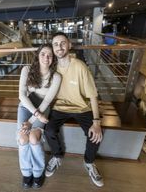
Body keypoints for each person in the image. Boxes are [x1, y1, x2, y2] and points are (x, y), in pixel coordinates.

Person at [44, 33, 104, 188]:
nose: (59, 47)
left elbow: (92, 96)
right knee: (49, 130)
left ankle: (89, 162)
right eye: (56, 44)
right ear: (53, 48)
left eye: (62, 43)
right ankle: (57, 155)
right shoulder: (51, 67)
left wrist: (96, 122)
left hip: (81, 108)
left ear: (69, 45)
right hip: (59, 108)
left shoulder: (79, 66)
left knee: (95, 135)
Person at [17, 45, 61, 189]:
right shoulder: (27, 70)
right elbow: (22, 95)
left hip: (43, 108)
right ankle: (26, 172)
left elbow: (47, 101)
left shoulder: (56, 76)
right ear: (38, 55)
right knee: (23, 138)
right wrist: (32, 117)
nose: (46, 58)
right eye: (43, 54)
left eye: (49, 55)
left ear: (53, 58)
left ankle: (38, 172)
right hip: (26, 106)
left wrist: (32, 121)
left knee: (33, 138)